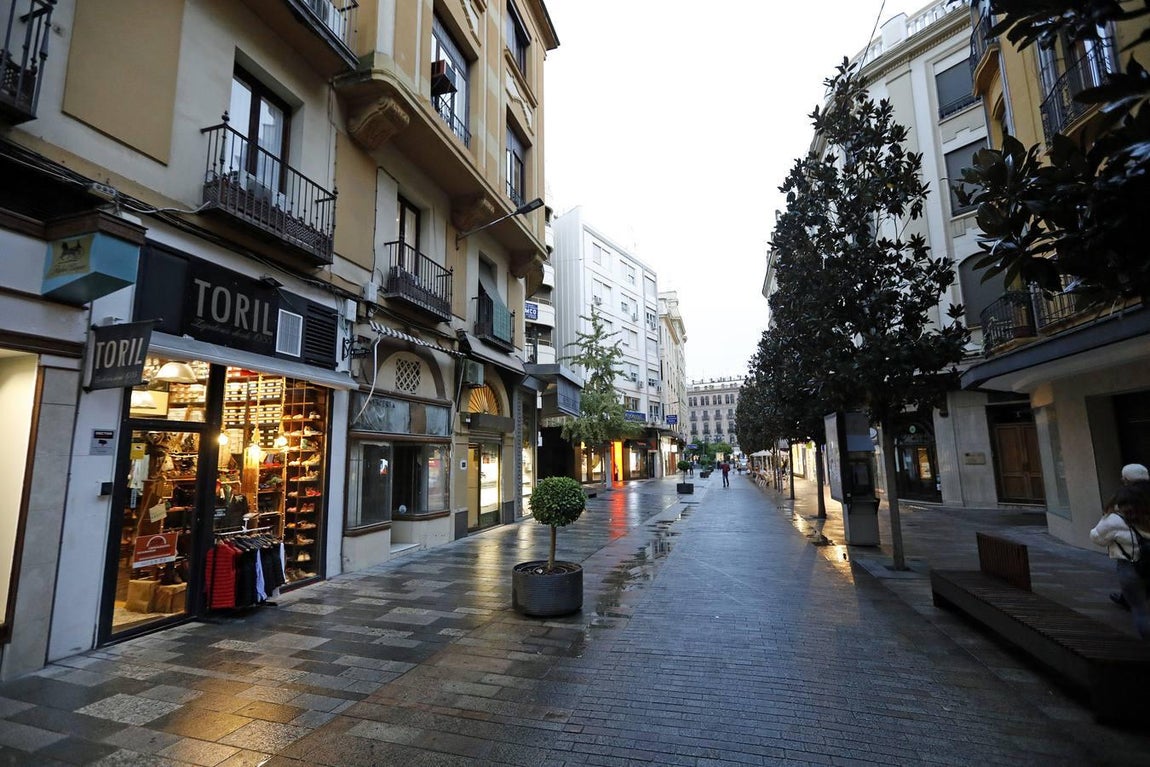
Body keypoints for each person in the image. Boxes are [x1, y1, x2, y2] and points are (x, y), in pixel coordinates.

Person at [1090, 484, 1150, 638]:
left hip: (1130, 567)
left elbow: (1097, 538)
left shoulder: (1115, 520)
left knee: (1140, 609)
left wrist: (1106, 516)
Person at [1108, 464, 1150, 609]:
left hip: (1135, 545)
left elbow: (1109, 525)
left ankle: (1130, 598)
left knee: (1132, 572)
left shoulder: (1127, 497)